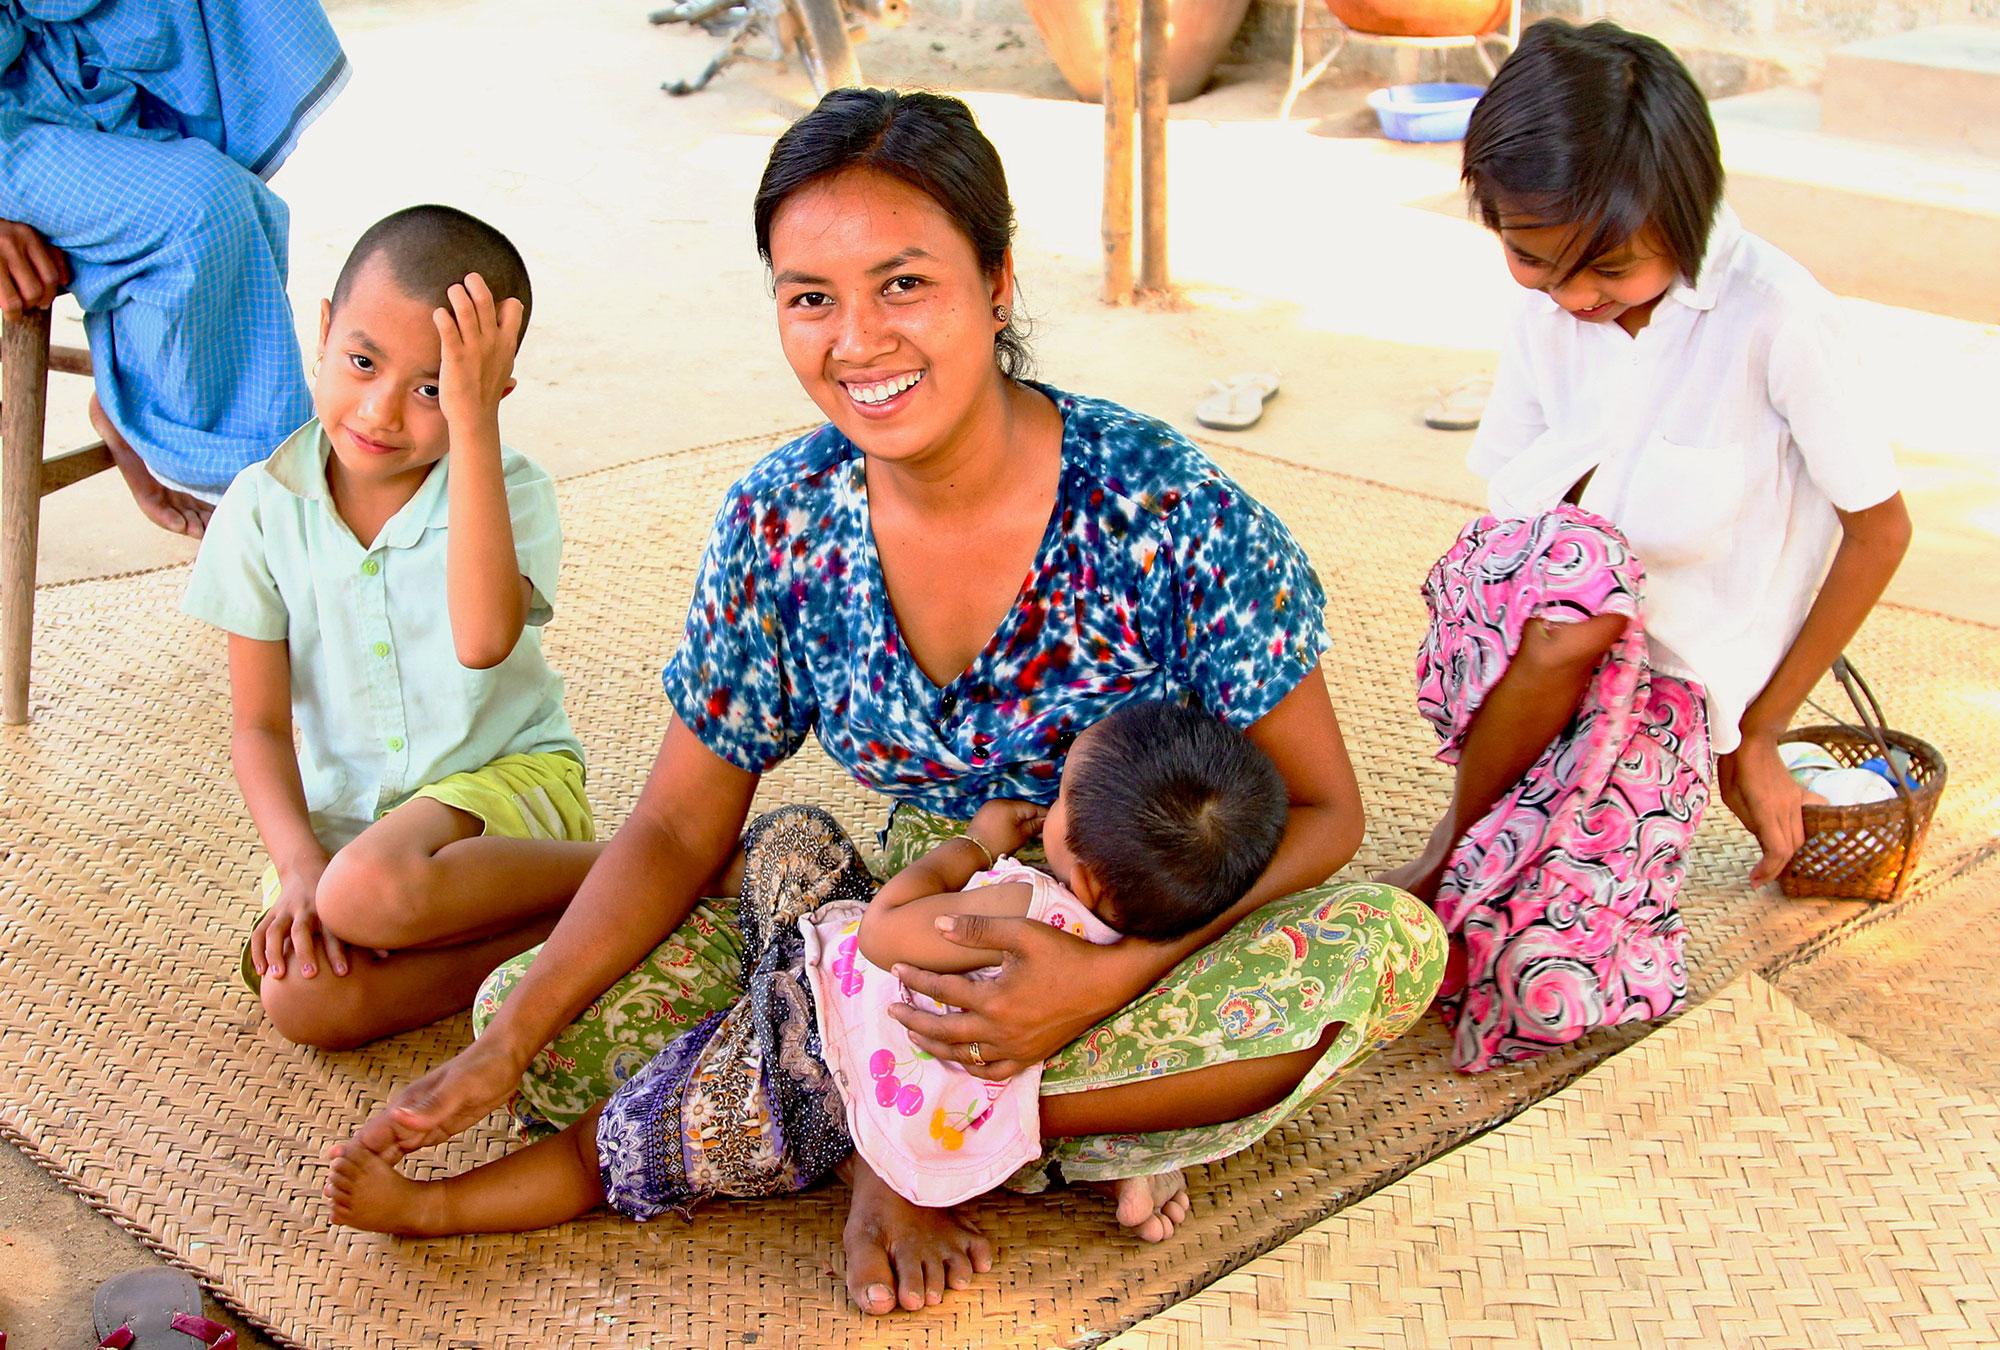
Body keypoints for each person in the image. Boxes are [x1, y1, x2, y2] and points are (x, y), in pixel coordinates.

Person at [339, 89, 1447, 1316]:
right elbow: (672, 828)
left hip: (1140, 908)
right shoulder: (781, 520)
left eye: (903, 284)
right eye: (810, 297)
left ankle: (903, 1138)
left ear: (996, 283)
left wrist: (1112, 975)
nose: (856, 341)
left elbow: (1324, 811)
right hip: (905, 929)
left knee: (1385, 952)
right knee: (542, 1022)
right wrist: (503, 1047)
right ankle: (1030, 1121)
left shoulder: (1166, 510)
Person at [1378, 20, 1911, 1073]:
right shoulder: (1544, 309)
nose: (1571, 296)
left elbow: (1878, 530)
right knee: (1582, 573)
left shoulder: (1777, 319)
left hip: (1658, 694)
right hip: (1520, 623)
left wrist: (1753, 735)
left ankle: (1498, 849)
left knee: (1538, 988)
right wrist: (1574, 608)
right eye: (1532, 259)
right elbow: (1514, 511)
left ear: (1683, 211)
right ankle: (1453, 845)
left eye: (1607, 268)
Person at [326, 703, 1289, 1242]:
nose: (1048, 796)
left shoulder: (1022, 914)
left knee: (605, 1151)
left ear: (1075, 857)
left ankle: (433, 1209)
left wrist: (959, 852)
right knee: (797, 839)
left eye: (1063, 793)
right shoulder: (1118, 931)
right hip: (821, 1001)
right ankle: (718, 975)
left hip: (803, 1081)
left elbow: (888, 934)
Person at [182, 206, 603, 1050]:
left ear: (488, 393)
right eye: (362, 362)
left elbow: (484, 639)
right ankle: (581, 927)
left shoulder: (510, 488)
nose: (380, 412)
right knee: (301, 999)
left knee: (365, 890)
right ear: (326, 330)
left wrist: (473, 425)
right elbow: (259, 728)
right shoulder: (263, 509)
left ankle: (651, 868)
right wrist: (300, 864)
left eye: (433, 389)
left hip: (504, 796)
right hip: (351, 839)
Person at [0, 1, 345, 535]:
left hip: (68, 55)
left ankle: (146, 396)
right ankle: (265, 506)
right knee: (204, 210)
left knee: (239, 206)